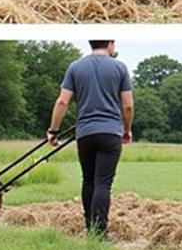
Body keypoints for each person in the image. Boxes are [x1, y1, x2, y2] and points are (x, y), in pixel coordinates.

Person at [49, 39, 133, 238]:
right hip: (111, 132)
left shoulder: (75, 67)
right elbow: (128, 105)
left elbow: (62, 102)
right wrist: (127, 130)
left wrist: (54, 130)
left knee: (88, 181)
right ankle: (100, 233)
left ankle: (89, 228)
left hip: (85, 132)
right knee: (103, 183)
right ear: (110, 43)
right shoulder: (120, 67)